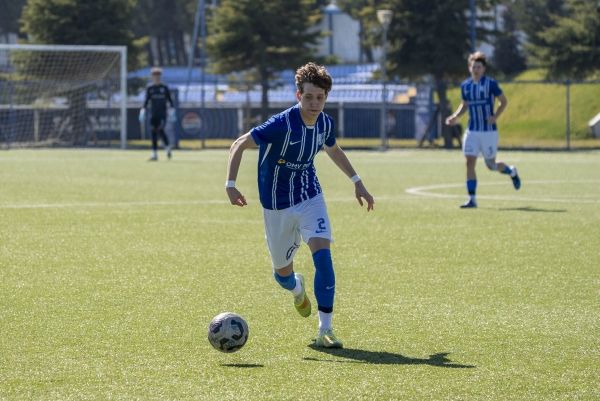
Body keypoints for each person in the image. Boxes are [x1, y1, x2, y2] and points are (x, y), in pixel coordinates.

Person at [225, 62, 374, 349]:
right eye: (309, 97)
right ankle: (296, 289)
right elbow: (238, 144)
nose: (314, 103)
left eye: (320, 97)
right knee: (283, 276)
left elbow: (333, 149)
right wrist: (230, 185)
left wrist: (357, 181)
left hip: (309, 197)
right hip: (276, 205)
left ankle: (326, 329)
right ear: (298, 96)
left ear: (326, 97)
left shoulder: (325, 124)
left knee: (323, 258)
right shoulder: (281, 124)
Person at [445, 51, 520, 208]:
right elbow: (464, 105)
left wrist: (495, 116)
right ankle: (472, 199)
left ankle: (511, 171)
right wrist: (455, 116)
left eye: (479, 67)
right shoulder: (465, 86)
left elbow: (503, 101)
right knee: (469, 162)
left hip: (488, 131)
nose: (476, 70)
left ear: (484, 68)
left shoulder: (490, 84)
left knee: (491, 165)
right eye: (473, 67)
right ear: (469, 68)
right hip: (472, 130)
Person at [142, 67, 173, 161]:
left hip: (162, 114)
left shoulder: (164, 87)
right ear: (152, 76)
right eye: (155, 75)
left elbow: (170, 100)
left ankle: (167, 147)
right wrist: (142, 111)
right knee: (154, 133)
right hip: (153, 114)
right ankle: (155, 154)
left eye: (158, 75)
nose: (156, 77)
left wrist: (172, 112)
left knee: (160, 130)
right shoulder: (150, 88)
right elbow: (146, 101)